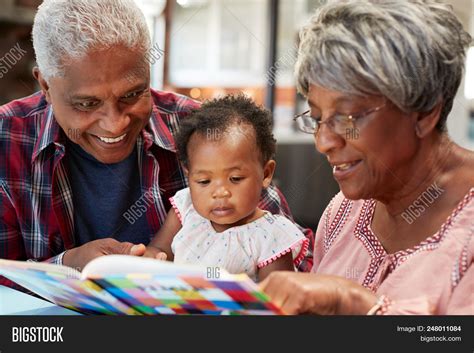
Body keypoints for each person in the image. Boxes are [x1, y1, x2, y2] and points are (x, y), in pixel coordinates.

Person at [0, 0, 314, 285]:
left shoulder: (206, 133)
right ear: (45, 85)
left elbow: (293, 265)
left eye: (132, 94)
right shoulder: (7, 138)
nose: (116, 123)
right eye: (86, 104)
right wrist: (66, 265)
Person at [261, 0, 474, 314]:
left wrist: (352, 301)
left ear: (425, 112)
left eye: (348, 118)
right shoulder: (344, 212)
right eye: (318, 118)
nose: (323, 142)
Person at [144, 95, 309, 281]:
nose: (220, 192)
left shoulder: (272, 236)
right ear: (189, 175)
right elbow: (159, 251)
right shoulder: (186, 209)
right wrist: (150, 258)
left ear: (266, 174)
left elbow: (276, 297)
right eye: (204, 181)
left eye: (235, 178)